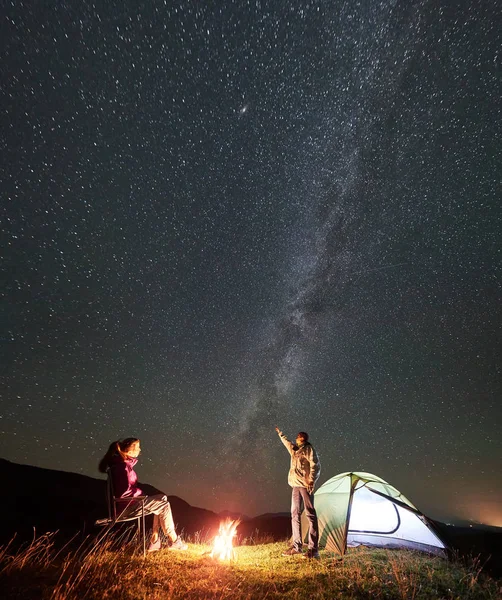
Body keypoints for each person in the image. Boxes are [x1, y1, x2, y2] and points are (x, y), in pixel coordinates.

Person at [98, 437, 187, 552]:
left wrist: (140, 494)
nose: (140, 450)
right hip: (126, 506)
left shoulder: (122, 465)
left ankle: (155, 541)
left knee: (162, 498)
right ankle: (174, 540)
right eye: (138, 448)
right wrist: (141, 494)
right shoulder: (123, 467)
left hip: (128, 503)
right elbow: (124, 493)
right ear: (129, 452)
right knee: (164, 505)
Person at [275, 426, 321, 559]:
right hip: (295, 486)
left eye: (299, 436)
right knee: (295, 514)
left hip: (305, 486)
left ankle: (313, 550)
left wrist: (311, 481)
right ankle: (297, 547)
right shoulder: (294, 450)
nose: (297, 438)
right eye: (298, 436)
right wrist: (280, 434)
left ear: (303, 438)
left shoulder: (309, 449)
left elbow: (315, 465)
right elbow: (287, 443)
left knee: (310, 514)